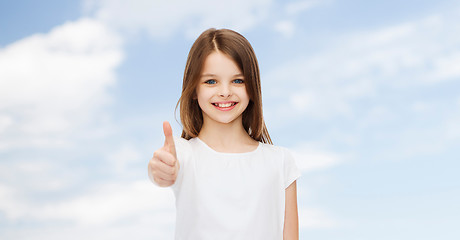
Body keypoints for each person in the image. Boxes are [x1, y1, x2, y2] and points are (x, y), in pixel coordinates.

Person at [148, 28, 301, 240]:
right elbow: (161, 169)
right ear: (193, 89)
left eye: (238, 80)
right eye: (211, 81)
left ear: (252, 87)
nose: (225, 91)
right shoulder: (182, 155)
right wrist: (161, 171)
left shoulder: (280, 161)